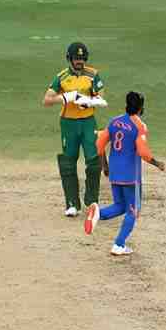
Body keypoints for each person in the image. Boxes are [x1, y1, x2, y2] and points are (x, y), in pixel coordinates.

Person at [84, 92, 165, 255]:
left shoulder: (114, 121)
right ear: (141, 108)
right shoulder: (139, 126)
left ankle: (98, 213)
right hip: (131, 176)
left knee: (120, 206)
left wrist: (104, 166)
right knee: (133, 210)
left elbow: (99, 144)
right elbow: (143, 152)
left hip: (114, 172)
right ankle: (119, 244)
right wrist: (157, 163)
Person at [43, 42, 109, 216]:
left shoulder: (92, 74)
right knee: (68, 162)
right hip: (68, 123)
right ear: (69, 59)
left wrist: (88, 101)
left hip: (88, 122)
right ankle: (72, 204)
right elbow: (47, 100)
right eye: (76, 58)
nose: (79, 61)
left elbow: (102, 99)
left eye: (81, 58)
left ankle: (91, 201)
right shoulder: (62, 77)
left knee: (94, 161)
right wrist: (66, 97)